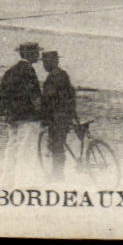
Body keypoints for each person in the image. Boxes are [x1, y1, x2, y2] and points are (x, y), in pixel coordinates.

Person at [0, 41, 44, 177]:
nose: (38, 55)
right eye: (36, 53)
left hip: (13, 117)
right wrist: (42, 113)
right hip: (28, 117)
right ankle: (23, 183)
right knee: (27, 151)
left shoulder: (11, 70)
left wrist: (5, 112)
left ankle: (7, 181)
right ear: (29, 54)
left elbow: (3, 94)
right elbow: (34, 96)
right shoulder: (29, 71)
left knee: (12, 148)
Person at [39, 50, 77, 178]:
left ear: (54, 62)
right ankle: (57, 172)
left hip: (58, 117)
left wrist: (44, 116)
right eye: (44, 62)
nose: (44, 65)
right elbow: (70, 94)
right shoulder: (63, 74)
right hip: (65, 114)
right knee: (58, 144)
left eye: (46, 62)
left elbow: (49, 99)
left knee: (57, 145)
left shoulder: (53, 78)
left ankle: (58, 174)